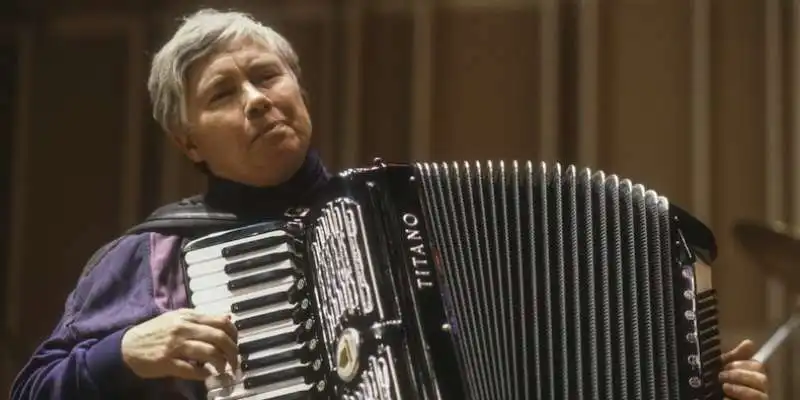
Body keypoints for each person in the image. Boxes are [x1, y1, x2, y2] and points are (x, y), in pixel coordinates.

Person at [9, 8, 770, 400]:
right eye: (222, 94)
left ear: (299, 89)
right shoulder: (153, 257)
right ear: (189, 143)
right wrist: (122, 355)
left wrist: (691, 383)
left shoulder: (413, 214)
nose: (257, 101)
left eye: (267, 77)